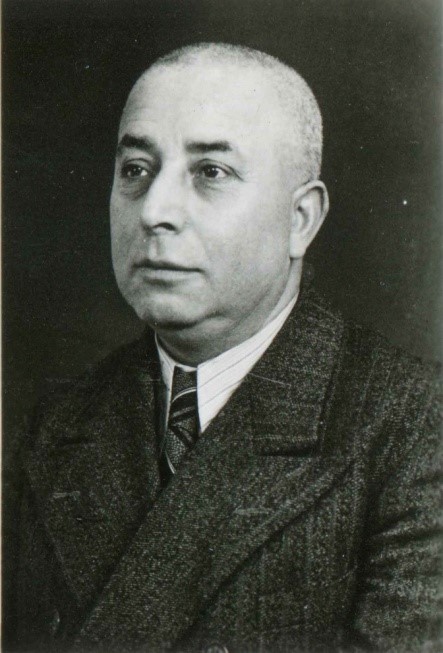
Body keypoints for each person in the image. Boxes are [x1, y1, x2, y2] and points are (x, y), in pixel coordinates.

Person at [13, 43, 441, 653]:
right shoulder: (51, 426)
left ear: (300, 220)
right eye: (136, 169)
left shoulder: (416, 427)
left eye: (210, 172)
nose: (155, 211)